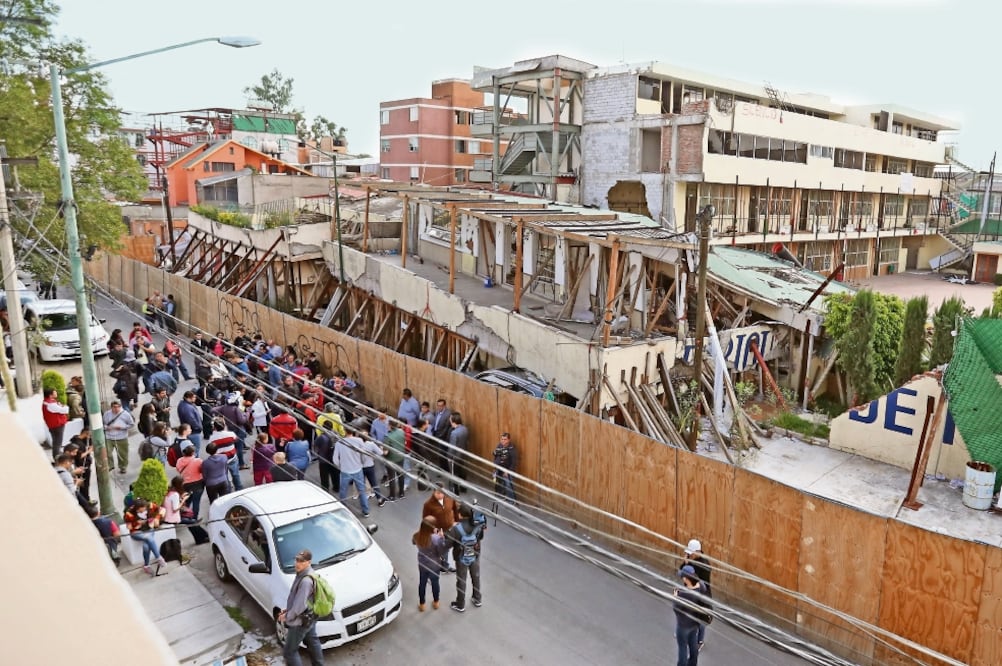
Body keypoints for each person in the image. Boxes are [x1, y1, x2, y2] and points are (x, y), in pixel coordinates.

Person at [278, 549, 325, 666]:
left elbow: (300, 605)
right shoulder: (308, 574)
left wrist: (287, 616)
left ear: (309, 562)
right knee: (312, 641)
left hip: (300, 621)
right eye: (297, 560)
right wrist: (288, 610)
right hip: (310, 617)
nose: (297, 564)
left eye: (301, 561)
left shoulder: (305, 581)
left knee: (289, 652)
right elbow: (303, 600)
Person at [334, 434, 383, 517]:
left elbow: (335, 459)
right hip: (358, 470)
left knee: (343, 491)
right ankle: (366, 511)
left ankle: (343, 509)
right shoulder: (359, 441)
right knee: (362, 490)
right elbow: (363, 454)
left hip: (345, 471)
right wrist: (361, 463)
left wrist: (341, 467)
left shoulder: (339, 443)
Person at [448, 502, 485, 612]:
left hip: (461, 557)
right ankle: (477, 598)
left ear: (460, 514)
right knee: (476, 577)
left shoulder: (456, 528)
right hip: (475, 554)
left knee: (461, 580)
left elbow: (449, 543)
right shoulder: (478, 524)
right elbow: (481, 537)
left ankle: (460, 604)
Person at [674, 565, 711, 666]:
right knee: (693, 647)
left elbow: (676, 609)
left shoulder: (684, 594)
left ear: (686, 579)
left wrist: (676, 597)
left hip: (683, 626)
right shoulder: (701, 585)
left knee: (682, 649)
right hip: (694, 624)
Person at [123, 498, 168, 576]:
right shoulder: (129, 513)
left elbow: (162, 509)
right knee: (148, 538)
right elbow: (129, 527)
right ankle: (159, 557)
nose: (143, 512)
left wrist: (157, 518)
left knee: (146, 546)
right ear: (136, 509)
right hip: (136, 532)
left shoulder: (150, 505)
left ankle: (146, 566)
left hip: (149, 528)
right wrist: (138, 523)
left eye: (144, 510)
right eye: (140, 511)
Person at [682, 539, 713, 651]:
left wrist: (688, 565)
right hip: (692, 592)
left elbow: (697, 580)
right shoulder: (692, 561)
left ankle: (699, 641)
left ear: (697, 552)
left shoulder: (704, 565)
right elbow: (682, 572)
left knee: (701, 618)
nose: (689, 555)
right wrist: (685, 563)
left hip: (702, 595)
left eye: (691, 553)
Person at [413, 515, 448, 611]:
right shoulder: (436, 539)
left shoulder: (416, 535)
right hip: (434, 566)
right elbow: (441, 552)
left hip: (422, 564)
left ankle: (422, 604)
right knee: (435, 583)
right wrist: (441, 538)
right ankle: (436, 602)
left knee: (422, 583)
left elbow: (414, 542)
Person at [422, 484, 458, 573]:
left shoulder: (449, 500)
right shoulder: (428, 505)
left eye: (442, 492)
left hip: (449, 529)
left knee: (446, 548)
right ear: (434, 492)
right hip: (438, 531)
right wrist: (434, 530)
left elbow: (455, 510)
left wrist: (456, 521)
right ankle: (439, 565)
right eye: (438, 493)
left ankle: (444, 566)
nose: (440, 495)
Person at [103, 401, 135, 474]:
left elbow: (131, 424)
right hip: (109, 436)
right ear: (111, 407)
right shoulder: (107, 414)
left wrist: (122, 427)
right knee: (108, 452)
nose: (116, 409)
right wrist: (106, 428)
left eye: (118, 407)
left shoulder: (125, 414)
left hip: (121, 437)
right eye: (114, 407)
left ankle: (123, 466)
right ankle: (110, 465)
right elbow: (103, 424)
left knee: (122, 453)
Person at [175, 446, 205, 519]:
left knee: (187, 501)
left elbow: (178, 469)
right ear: (192, 453)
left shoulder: (179, 461)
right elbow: (202, 470)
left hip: (185, 485)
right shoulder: (198, 461)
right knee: (196, 502)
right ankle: (194, 518)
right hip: (198, 484)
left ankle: (185, 515)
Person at [313, 418, 339, 495]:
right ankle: (336, 487)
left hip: (323, 458)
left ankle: (325, 489)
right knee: (335, 473)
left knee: (324, 475)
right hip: (333, 457)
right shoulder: (336, 435)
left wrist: (317, 453)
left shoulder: (321, 437)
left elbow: (315, 445)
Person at [42, 388, 69, 459]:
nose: (56, 393)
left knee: (56, 441)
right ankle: (57, 457)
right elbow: (65, 410)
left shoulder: (47, 402)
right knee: (57, 442)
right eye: (55, 392)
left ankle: (57, 454)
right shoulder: (51, 404)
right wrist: (64, 406)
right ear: (50, 395)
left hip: (53, 425)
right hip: (57, 425)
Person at [383, 421, 406, 501]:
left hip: (391, 459)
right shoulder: (401, 432)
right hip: (400, 457)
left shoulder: (388, 436)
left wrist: (381, 449)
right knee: (401, 475)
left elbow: (385, 452)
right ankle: (401, 493)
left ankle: (392, 495)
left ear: (390, 426)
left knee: (392, 477)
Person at [447, 412, 469, 495]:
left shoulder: (454, 433)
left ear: (453, 421)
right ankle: (463, 488)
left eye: (450, 420)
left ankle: (455, 491)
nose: (449, 422)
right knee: (462, 472)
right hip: (463, 455)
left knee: (454, 474)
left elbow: (452, 447)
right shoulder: (465, 429)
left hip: (455, 457)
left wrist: (449, 457)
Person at [493, 432, 518, 502]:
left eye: (505, 439)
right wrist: (495, 466)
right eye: (502, 439)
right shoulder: (499, 446)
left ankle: (512, 501)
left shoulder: (512, 449)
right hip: (499, 468)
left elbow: (513, 462)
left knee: (508, 485)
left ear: (509, 440)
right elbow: (496, 456)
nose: (503, 441)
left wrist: (507, 471)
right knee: (499, 483)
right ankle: (504, 497)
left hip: (507, 470)